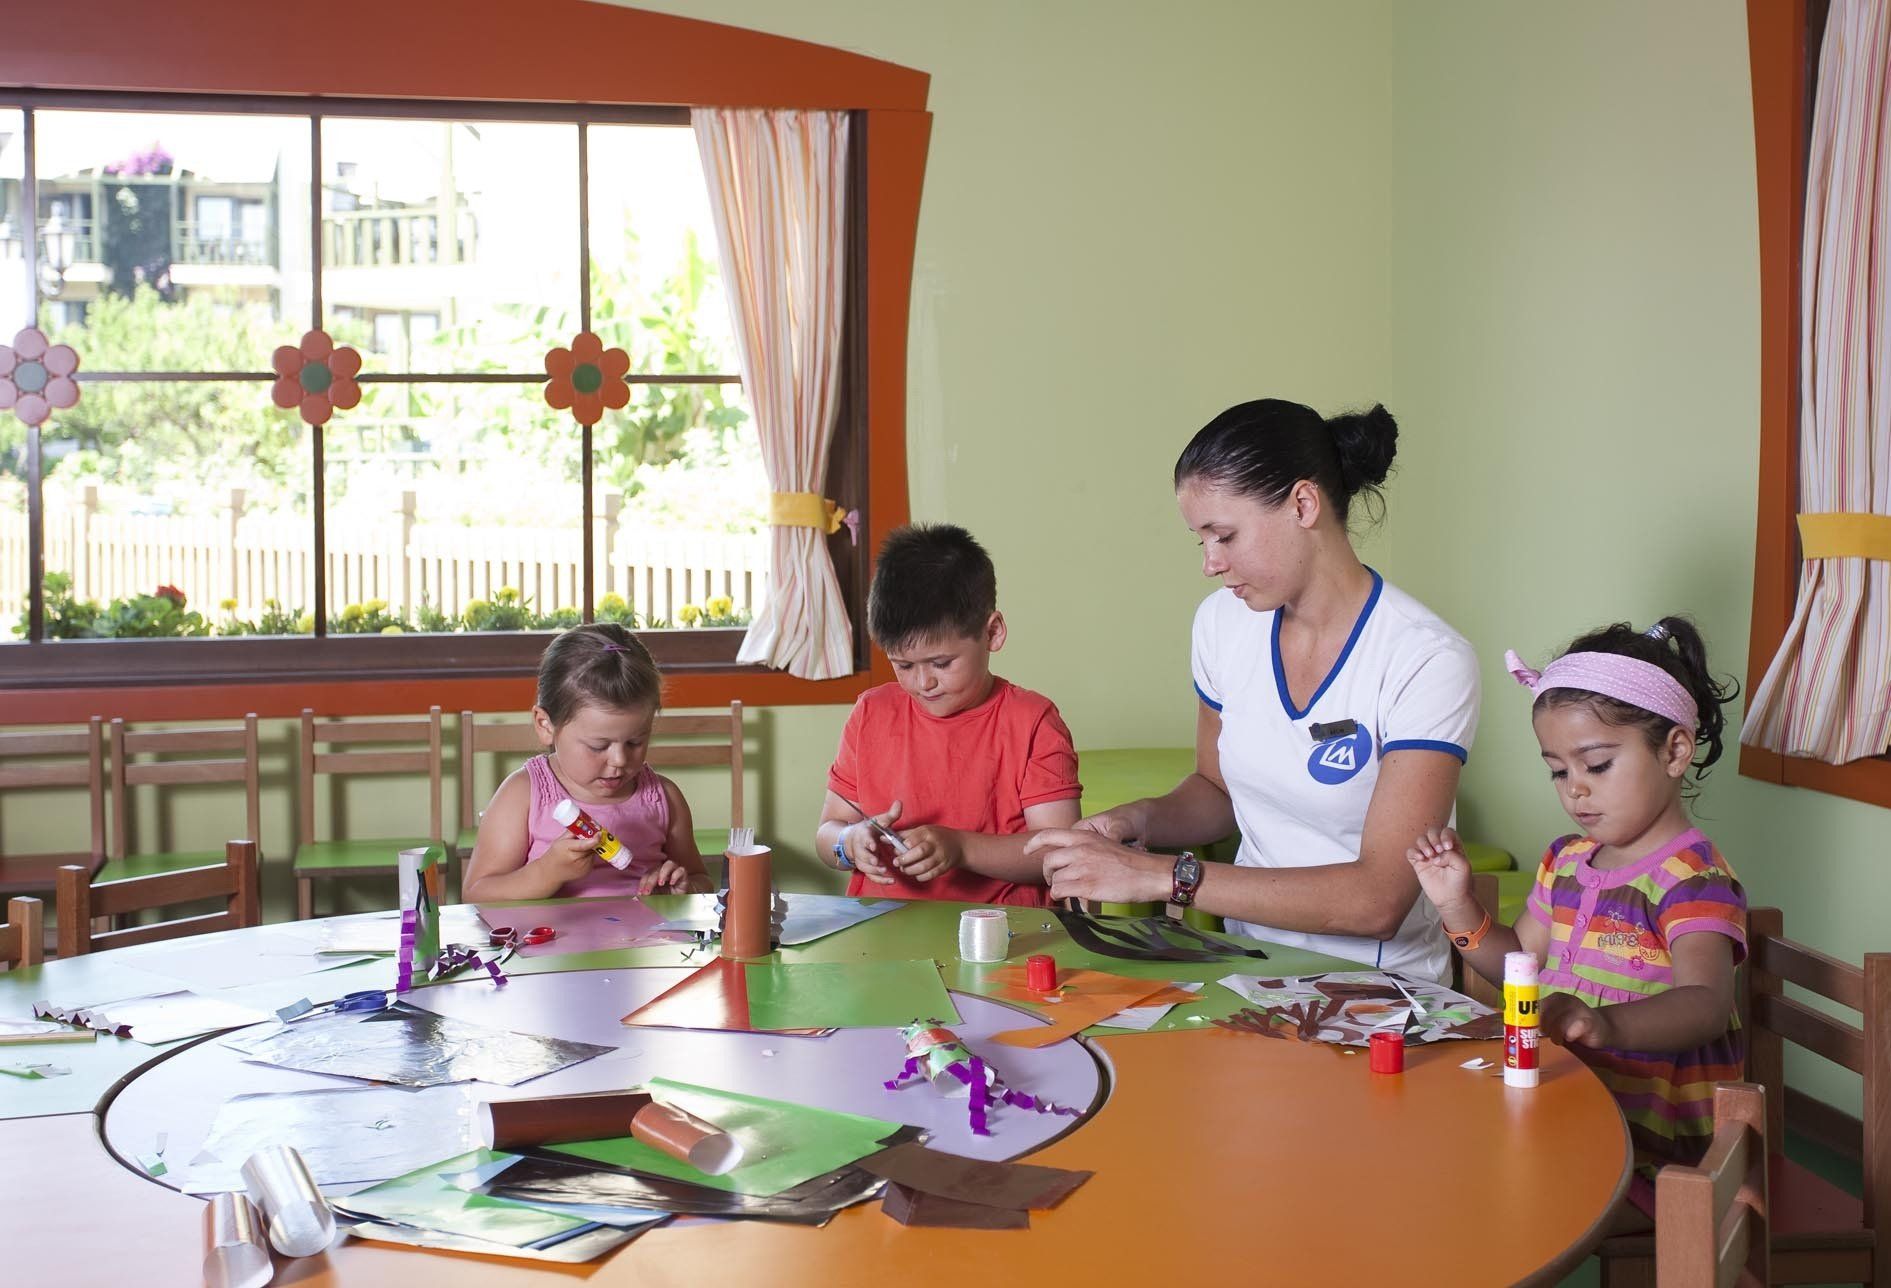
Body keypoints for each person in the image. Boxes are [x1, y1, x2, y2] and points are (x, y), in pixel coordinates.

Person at [1026, 398, 1478, 981]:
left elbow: (1378, 901)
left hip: (1378, 992)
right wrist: (1131, 822)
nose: (1210, 564)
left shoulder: (1425, 659)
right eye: (1200, 542)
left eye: (1224, 536)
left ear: (1303, 503)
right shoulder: (1222, 624)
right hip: (1246, 971)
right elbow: (1216, 789)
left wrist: (1161, 876)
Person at [1408, 616, 1744, 1212]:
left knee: (1475, 1193)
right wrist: (1455, 905)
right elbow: (1517, 965)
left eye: (1597, 764)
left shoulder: (1693, 879)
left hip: (1651, 1148)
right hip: (1567, 1103)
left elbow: (1707, 1003)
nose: (1575, 790)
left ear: (1674, 751)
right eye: (1559, 770)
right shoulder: (1566, 861)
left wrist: (1608, 1025)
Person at [815, 523, 1082, 905]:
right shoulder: (870, 713)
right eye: (903, 665)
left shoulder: (1033, 721)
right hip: (883, 929)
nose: (923, 683)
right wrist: (849, 842)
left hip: (1003, 938)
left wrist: (961, 848)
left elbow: (1060, 852)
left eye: (941, 662)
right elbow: (828, 832)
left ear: (993, 633)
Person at [463, 623, 714, 901]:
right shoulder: (523, 795)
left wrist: (681, 889)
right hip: (555, 943)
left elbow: (700, 880)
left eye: (635, 742)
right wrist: (546, 872)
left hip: (645, 942)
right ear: (545, 725)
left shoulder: (663, 798)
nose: (619, 760)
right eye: (598, 746)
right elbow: (476, 894)